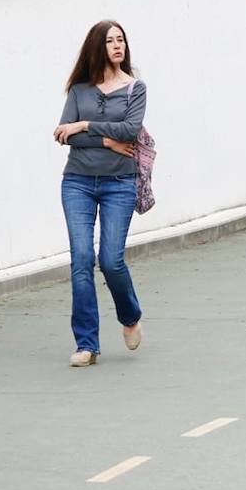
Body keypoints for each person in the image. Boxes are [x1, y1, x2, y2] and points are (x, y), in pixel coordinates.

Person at [52, 20, 147, 367]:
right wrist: (106, 139)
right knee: (81, 260)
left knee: (110, 260)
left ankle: (130, 315)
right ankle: (87, 344)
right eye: (110, 41)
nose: (117, 46)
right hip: (77, 181)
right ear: (97, 47)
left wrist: (87, 126)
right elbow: (64, 135)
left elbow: (131, 129)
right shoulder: (79, 90)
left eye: (121, 39)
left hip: (118, 184)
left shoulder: (136, 88)